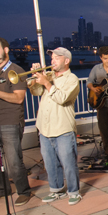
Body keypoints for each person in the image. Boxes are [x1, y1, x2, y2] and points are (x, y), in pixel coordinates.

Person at [0, 37, 32, 204]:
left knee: (14, 160)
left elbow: (18, 98)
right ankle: (2, 188)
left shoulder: (16, 71)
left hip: (10, 119)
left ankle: (24, 190)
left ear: (6, 50)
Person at [29, 47, 81, 205]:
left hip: (62, 128)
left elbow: (62, 98)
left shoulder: (72, 79)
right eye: (51, 58)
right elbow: (36, 91)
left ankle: (74, 192)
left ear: (66, 61)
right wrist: (35, 77)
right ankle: (56, 190)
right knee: (50, 162)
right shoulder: (49, 75)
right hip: (44, 128)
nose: (52, 61)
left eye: (56, 58)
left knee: (68, 162)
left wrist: (46, 83)